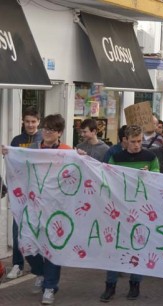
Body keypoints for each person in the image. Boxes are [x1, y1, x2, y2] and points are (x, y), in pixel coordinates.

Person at [4, 114, 72, 305]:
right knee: (25, 243)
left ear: (59, 132)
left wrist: (81, 157)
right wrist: (8, 153)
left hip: (56, 208)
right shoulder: (33, 148)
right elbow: (19, 163)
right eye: (45, 129)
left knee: (52, 249)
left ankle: (50, 287)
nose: (46, 133)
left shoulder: (67, 151)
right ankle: (40, 272)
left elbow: (78, 171)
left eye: (51, 130)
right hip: (33, 206)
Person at [100, 125, 160, 302]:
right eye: (133, 141)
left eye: (139, 141)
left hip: (141, 210)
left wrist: (150, 175)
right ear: (125, 140)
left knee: (138, 247)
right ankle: (110, 286)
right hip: (118, 210)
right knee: (115, 248)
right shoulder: (115, 156)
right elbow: (106, 176)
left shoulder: (150, 157)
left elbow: (159, 176)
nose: (136, 145)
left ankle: (135, 284)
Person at [7, 107, 42, 280]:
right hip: (21, 193)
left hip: (40, 194)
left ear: (38, 122)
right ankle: (17, 264)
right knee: (17, 230)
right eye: (27, 121)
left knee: (39, 232)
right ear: (23, 121)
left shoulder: (44, 138)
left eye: (33, 121)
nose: (30, 124)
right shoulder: (16, 140)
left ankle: (40, 269)